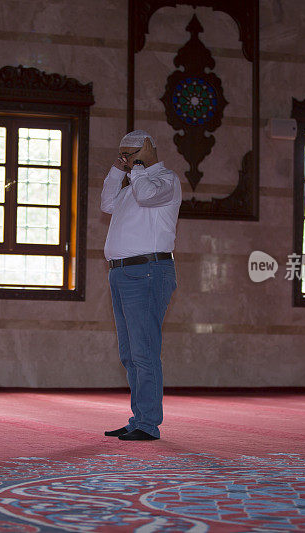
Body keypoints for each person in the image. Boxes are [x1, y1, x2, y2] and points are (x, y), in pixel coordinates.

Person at [101, 129, 181, 441]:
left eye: (131, 152)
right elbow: (107, 203)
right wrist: (117, 170)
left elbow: (146, 194)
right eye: (123, 153)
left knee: (144, 351)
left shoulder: (165, 180)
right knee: (130, 353)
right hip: (121, 274)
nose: (127, 158)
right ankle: (139, 419)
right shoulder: (131, 185)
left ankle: (149, 424)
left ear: (147, 148)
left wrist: (137, 169)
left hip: (148, 271)